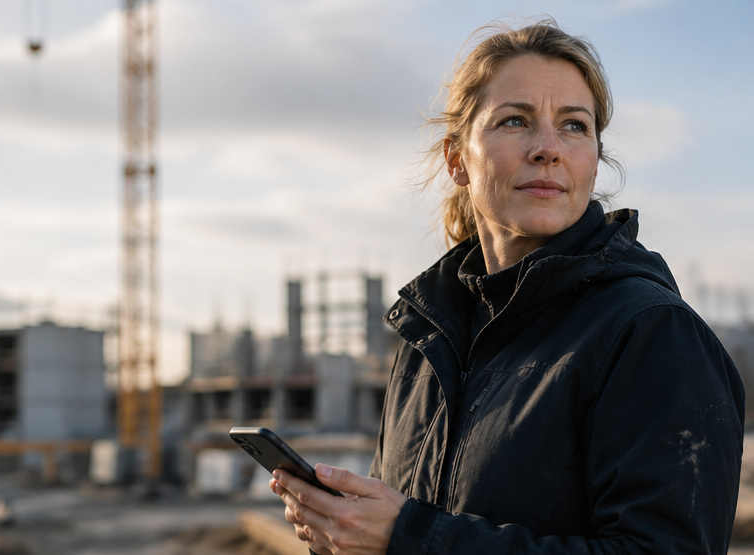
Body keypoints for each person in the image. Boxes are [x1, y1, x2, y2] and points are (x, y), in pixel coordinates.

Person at [270, 19, 745, 555]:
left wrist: (410, 537)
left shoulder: (653, 335)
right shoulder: (427, 340)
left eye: (573, 126)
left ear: (594, 159)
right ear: (457, 159)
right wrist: (341, 535)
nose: (548, 148)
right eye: (515, 121)